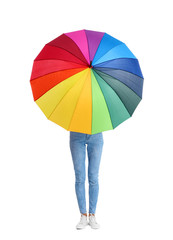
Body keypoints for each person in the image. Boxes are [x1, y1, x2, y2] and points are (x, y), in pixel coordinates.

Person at [69, 131, 104, 230]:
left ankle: (92, 215)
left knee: (93, 177)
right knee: (80, 177)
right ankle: (83, 215)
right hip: (76, 134)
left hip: (96, 134)